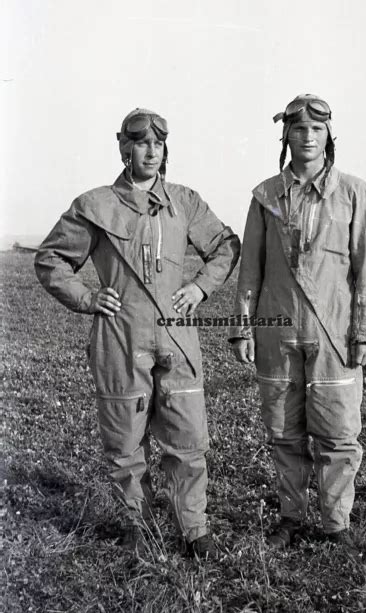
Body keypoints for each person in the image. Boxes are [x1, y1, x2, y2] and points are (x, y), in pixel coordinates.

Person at [35, 107, 240, 558]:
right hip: (119, 337)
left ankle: (195, 530)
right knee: (125, 442)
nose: (151, 151)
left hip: (177, 335)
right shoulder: (95, 205)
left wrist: (200, 288)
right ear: (125, 147)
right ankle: (138, 525)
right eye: (142, 142)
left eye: (158, 144)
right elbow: (50, 259)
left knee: (188, 440)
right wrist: (88, 298)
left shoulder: (185, 202)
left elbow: (226, 246)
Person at [230, 94, 366, 551]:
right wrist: (242, 328)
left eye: (316, 130)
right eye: (298, 129)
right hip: (277, 334)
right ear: (286, 136)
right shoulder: (265, 196)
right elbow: (251, 270)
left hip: (335, 336)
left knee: (338, 435)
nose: (307, 136)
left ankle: (336, 525)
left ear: (328, 137)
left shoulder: (355, 193)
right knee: (284, 434)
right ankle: (291, 518)